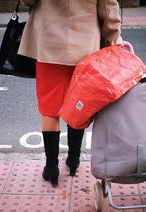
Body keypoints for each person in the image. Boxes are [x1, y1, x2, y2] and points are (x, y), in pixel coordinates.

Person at [18, 0, 123, 187]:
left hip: (48, 45)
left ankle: (51, 167)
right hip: (84, 46)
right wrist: (114, 40)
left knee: (50, 109)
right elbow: (108, 9)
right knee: (79, 105)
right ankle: (73, 160)